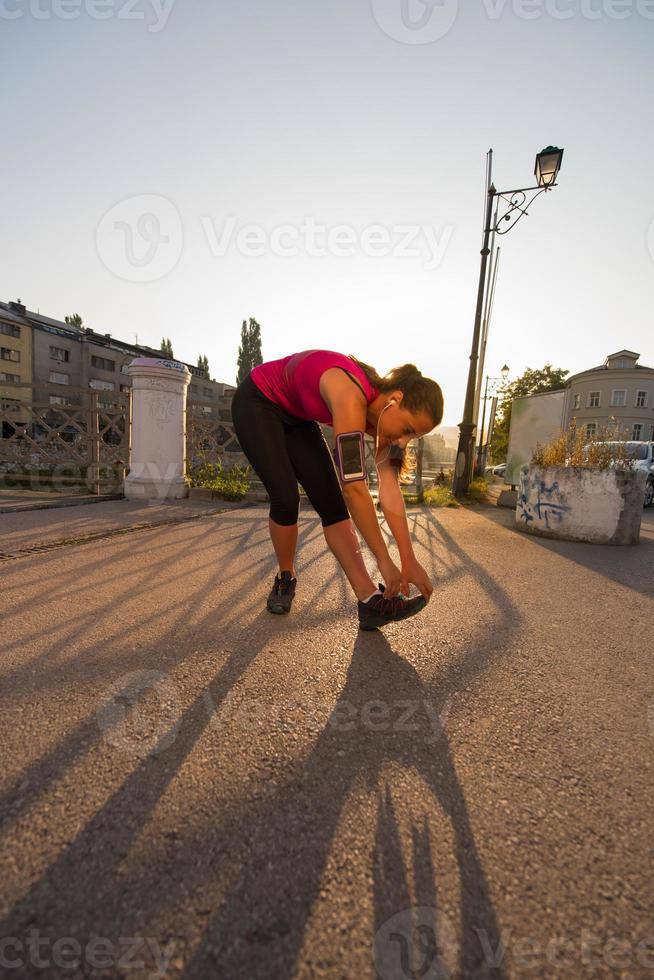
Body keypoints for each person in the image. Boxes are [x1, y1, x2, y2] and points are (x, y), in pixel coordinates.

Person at [230, 349, 444, 630]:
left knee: (332, 506)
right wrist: (384, 559)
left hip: (297, 417)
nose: (403, 442)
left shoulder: (382, 420)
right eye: (407, 429)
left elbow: (390, 489)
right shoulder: (349, 394)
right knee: (286, 497)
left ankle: (370, 602)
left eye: (412, 437)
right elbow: (354, 487)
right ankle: (285, 577)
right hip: (258, 400)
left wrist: (408, 558)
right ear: (395, 399)